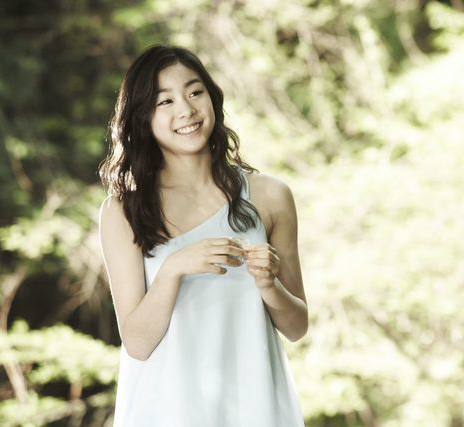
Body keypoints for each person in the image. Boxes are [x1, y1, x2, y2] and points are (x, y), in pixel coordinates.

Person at [98, 45, 308, 427]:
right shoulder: (122, 212)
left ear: (212, 98)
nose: (186, 110)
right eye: (165, 101)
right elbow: (138, 343)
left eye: (195, 92)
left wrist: (269, 285)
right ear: (143, 116)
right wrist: (172, 269)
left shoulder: (270, 196)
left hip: (255, 406)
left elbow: (297, 327)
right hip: (166, 411)